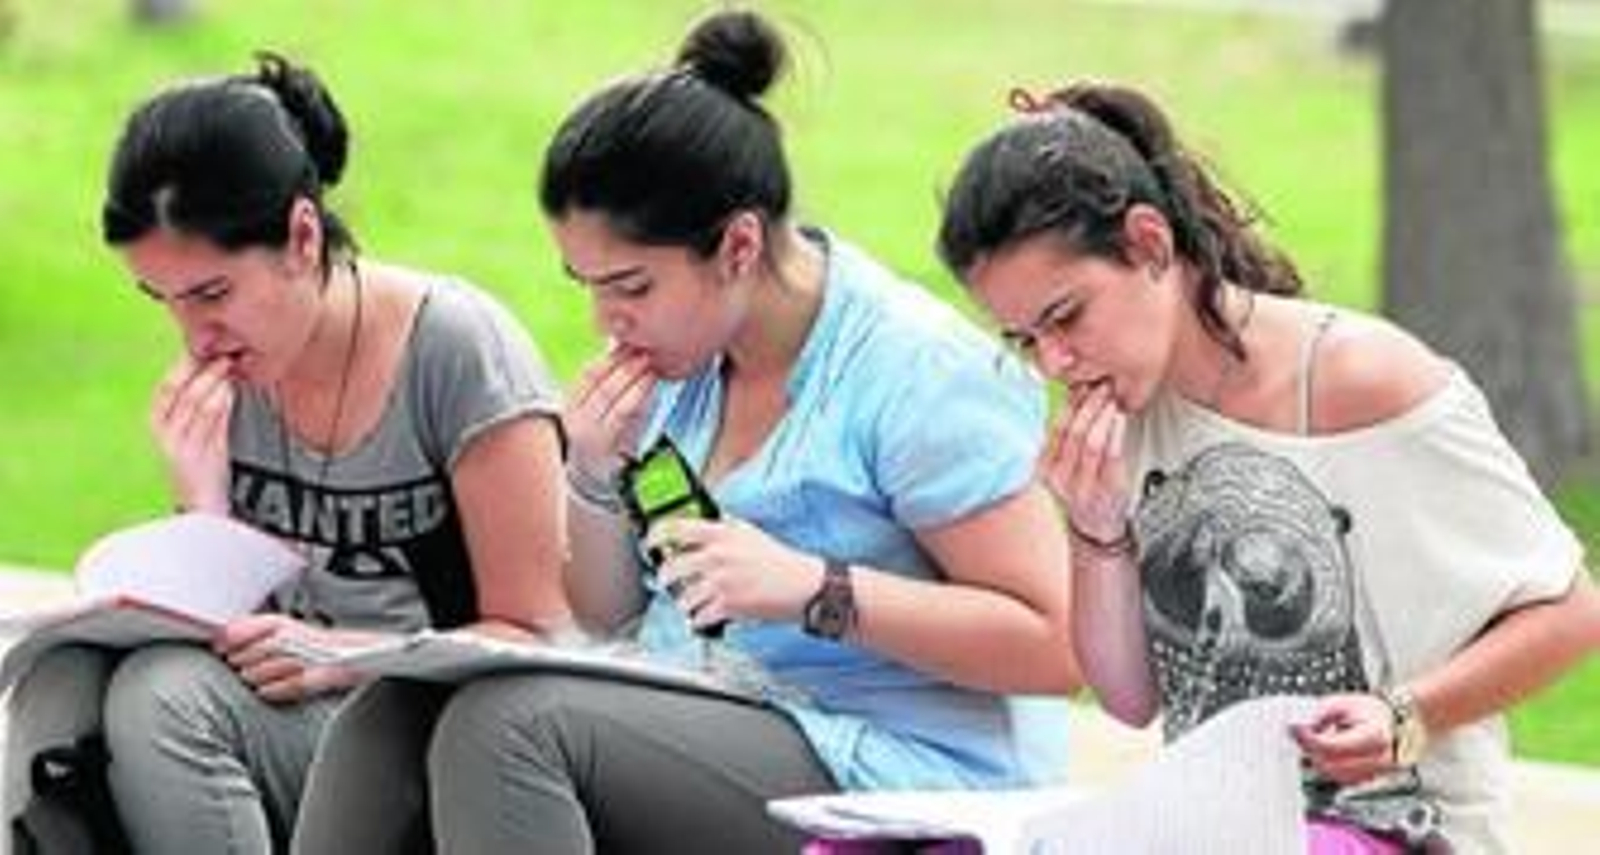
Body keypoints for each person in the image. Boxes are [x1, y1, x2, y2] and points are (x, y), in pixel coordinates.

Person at [295, 10, 1079, 854]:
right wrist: (593, 471)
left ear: (738, 245)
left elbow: (1055, 646)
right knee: (392, 714)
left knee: (513, 727)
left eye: (630, 284)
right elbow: (607, 614)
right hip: (709, 706)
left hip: (890, 763)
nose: (606, 319)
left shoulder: (912, 374)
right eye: (587, 285)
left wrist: (815, 587)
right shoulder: (682, 363)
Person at [936, 80, 1600, 854]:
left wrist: (1404, 713)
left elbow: (1573, 610)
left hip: (1397, 826)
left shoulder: (1362, 378)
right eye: (1025, 340)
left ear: (1150, 244)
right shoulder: (1124, 415)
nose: (1054, 362)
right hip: (1213, 828)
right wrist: (1096, 530)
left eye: (1066, 317)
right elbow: (1128, 699)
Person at [11, 52, 572, 854]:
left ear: (302, 236)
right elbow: (240, 636)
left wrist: (349, 657)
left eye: (212, 294)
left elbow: (543, 631)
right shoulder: (234, 369)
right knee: (58, 682)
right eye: (163, 302)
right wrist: (201, 508)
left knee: (163, 700)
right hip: (279, 719)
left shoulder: (456, 350)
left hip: (420, 728)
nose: (193, 336)